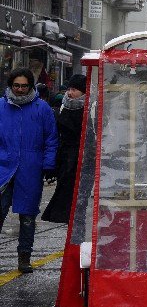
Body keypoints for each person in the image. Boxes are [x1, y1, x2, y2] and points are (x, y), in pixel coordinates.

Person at [0, 68, 58, 273]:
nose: (20, 89)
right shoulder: (1, 106)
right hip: (4, 167)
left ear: (31, 86)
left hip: (31, 169)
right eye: (17, 85)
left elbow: (51, 139)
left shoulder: (42, 109)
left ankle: (24, 257)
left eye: (24, 86)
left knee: (27, 216)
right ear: (10, 85)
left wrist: (49, 165)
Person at [42, 74, 87, 224]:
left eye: (74, 89)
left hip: (80, 156)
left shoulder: (89, 109)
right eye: (69, 89)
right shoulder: (64, 105)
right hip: (65, 155)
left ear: (83, 92)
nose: (69, 92)